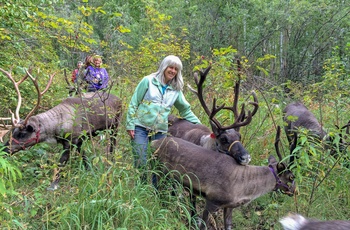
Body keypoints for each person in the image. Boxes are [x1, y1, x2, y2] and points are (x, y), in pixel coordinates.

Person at [126, 55, 201, 185]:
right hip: (140, 127)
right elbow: (134, 102)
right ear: (164, 67)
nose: (173, 71)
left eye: (176, 69)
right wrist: (130, 124)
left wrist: (200, 126)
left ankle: (156, 192)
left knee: (158, 165)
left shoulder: (176, 90)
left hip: (159, 131)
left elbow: (185, 110)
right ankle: (142, 190)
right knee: (141, 160)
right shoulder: (148, 81)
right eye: (170, 67)